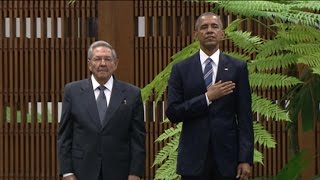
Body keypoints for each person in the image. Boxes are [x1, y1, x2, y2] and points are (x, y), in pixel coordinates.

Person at [166, 12, 254, 180]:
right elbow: (173, 112)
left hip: (228, 159)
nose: (209, 31)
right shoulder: (181, 69)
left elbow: (245, 117)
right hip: (193, 159)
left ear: (222, 34)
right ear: (195, 34)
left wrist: (245, 158)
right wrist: (207, 97)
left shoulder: (237, 67)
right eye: (204, 27)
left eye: (214, 26)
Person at [58, 40, 145, 180]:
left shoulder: (132, 93)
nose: (103, 63)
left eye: (108, 59)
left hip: (119, 171)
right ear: (89, 64)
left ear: (115, 64)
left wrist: (135, 172)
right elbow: (65, 135)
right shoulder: (72, 91)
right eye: (97, 59)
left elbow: (137, 138)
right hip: (82, 170)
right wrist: (67, 171)